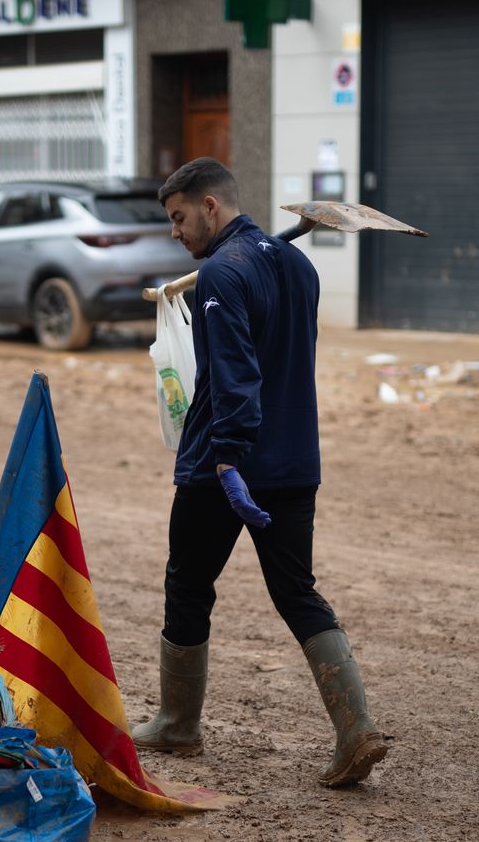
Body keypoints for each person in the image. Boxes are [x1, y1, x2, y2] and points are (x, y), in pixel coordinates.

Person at [132, 157, 389, 788]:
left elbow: (239, 375)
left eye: (179, 216)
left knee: (188, 586)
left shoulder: (221, 271)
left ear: (210, 207)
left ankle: (177, 723)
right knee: (296, 590)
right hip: (296, 461)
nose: (175, 231)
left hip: (225, 465)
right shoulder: (297, 265)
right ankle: (355, 729)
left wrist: (226, 458)